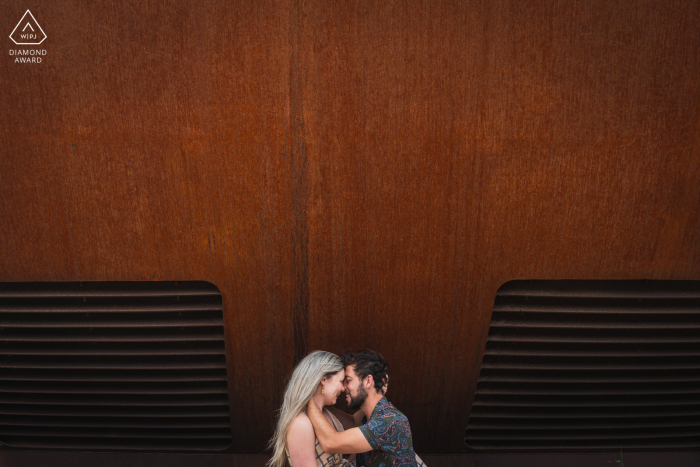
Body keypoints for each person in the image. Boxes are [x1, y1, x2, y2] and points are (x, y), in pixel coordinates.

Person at [306, 350, 425, 467]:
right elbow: (352, 422)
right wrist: (321, 400)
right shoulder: (369, 415)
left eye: (348, 381)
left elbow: (330, 442)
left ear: (368, 381)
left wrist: (307, 397)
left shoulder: (390, 421)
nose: (344, 387)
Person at [267, 350, 356, 467]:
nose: (343, 388)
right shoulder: (300, 423)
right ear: (323, 380)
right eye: (340, 381)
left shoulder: (327, 413)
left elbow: (358, 423)